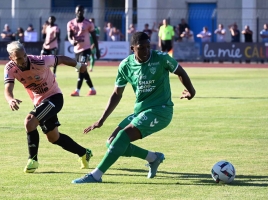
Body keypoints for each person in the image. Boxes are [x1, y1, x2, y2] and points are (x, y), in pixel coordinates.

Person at [71, 32, 196, 184]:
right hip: (141, 111)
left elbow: (180, 71)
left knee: (123, 137)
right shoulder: (126, 65)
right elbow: (117, 94)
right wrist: (101, 119)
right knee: (111, 142)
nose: (146, 51)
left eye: (148, 47)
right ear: (132, 49)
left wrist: (192, 91)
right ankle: (153, 157)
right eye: (141, 48)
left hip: (161, 111)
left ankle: (96, 175)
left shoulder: (161, 58)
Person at [3, 41, 93, 173]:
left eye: (24, 56)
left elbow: (61, 59)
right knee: (53, 138)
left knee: (29, 121)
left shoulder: (39, 61)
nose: (23, 60)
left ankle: (32, 160)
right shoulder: (10, 68)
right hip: (40, 102)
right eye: (19, 59)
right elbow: (8, 88)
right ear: (11, 58)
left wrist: (79, 65)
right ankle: (84, 153)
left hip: (54, 97)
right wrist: (10, 99)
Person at [67, 5, 100, 97]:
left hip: (86, 49)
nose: (80, 12)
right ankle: (92, 89)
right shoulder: (70, 23)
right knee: (82, 70)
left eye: (81, 11)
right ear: (75, 12)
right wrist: (71, 41)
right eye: (78, 11)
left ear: (83, 12)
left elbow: (94, 37)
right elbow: (69, 36)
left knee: (81, 68)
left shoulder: (88, 23)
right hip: (76, 50)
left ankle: (77, 90)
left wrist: (97, 50)